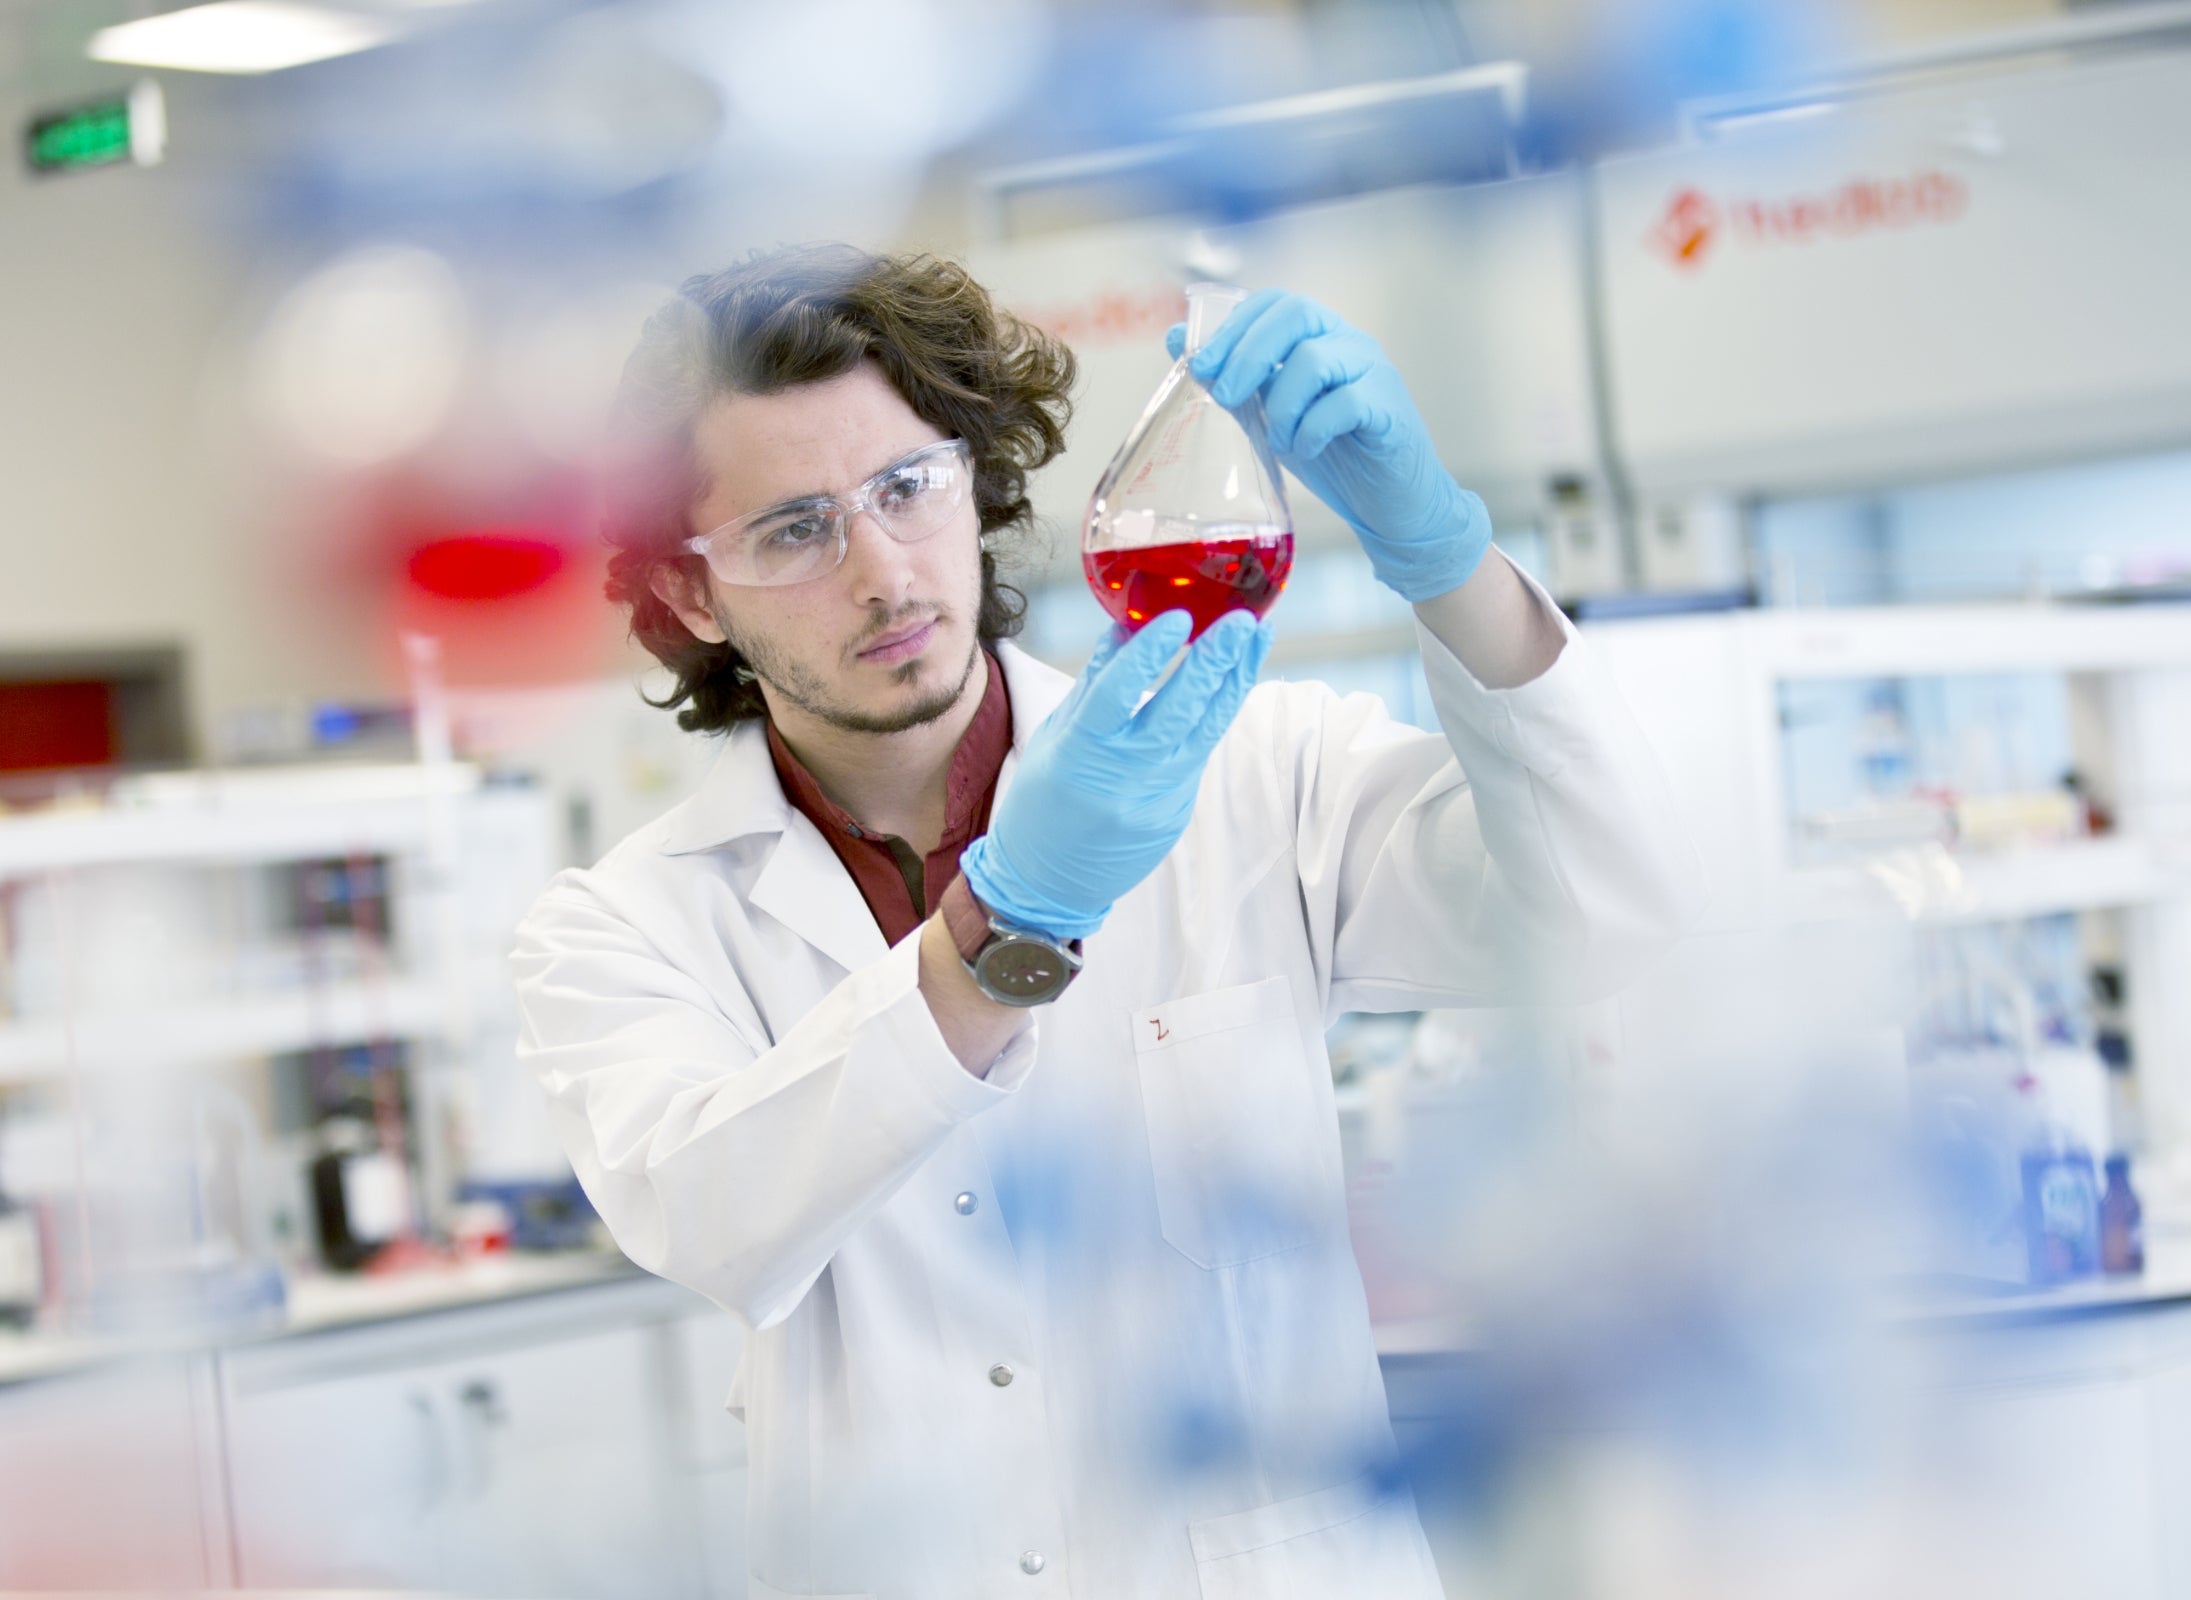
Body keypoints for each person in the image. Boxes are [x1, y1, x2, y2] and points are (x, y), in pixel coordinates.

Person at [513, 245, 1701, 1599]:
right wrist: (1004, 930)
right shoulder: (623, 928)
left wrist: (1449, 559)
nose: (886, 574)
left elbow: (1616, 908)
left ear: (974, 484)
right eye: (795, 530)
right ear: (684, 592)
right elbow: (716, 1219)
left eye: (909, 489)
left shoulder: (1257, 773)